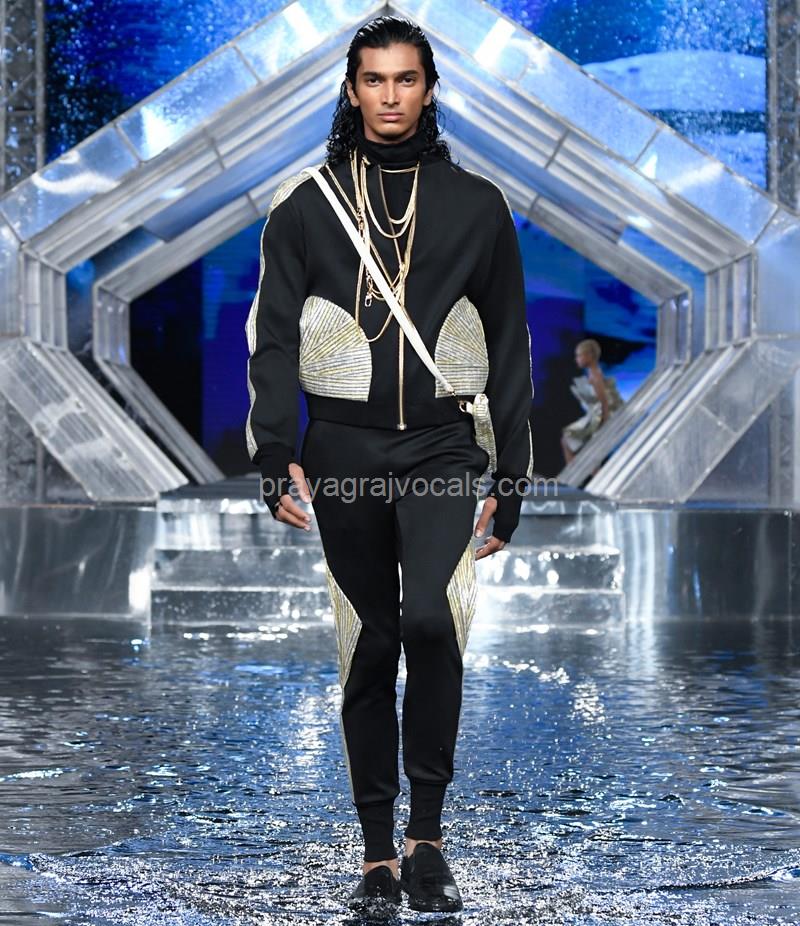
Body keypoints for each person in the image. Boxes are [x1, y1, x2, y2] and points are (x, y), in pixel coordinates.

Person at [245, 15, 534, 914]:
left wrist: (513, 479)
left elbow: (512, 346)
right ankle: (377, 852)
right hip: (344, 449)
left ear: (429, 89)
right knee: (370, 642)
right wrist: (273, 452)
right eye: (374, 80)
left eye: (406, 79)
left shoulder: (477, 205)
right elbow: (273, 338)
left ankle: (428, 840)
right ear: (352, 89)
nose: (390, 96)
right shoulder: (307, 203)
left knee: (431, 622)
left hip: (442, 445)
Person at [561, 338, 624, 466]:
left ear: (589, 356)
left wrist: (605, 422)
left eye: (579, 355)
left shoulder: (596, 376)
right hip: (597, 415)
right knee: (583, 448)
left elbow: (604, 401)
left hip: (600, 417)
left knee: (568, 439)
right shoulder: (592, 375)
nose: (577, 359)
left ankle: (575, 474)